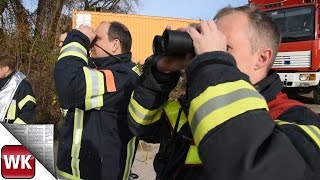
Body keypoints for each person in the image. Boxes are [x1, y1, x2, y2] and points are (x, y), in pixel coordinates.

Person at [128, 5, 320, 180]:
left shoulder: (295, 119)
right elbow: (143, 127)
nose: (204, 52)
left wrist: (212, 65)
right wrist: (161, 75)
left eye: (223, 47)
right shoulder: (198, 102)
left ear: (261, 58)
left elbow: (257, 170)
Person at [54, 21, 140, 180]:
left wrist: (78, 40)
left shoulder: (124, 77)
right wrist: (72, 44)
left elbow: (70, 85)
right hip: (72, 172)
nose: (91, 43)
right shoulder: (100, 69)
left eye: (96, 39)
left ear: (115, 45)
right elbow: (72, 73)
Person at [0, 51, 36, 124]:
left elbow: (28, 110)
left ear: (6, 69)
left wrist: (14, 129)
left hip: (9, 130)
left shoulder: (22, 86)